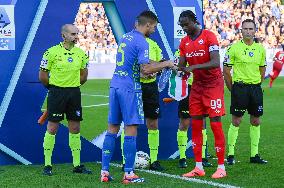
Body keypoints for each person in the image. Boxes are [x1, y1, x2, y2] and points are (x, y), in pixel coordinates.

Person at [100, 10, 175, 184]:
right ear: (147, 24)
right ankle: (129, 174)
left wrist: (149, 70)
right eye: (154, 27)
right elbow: (146, 69)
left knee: (112, 129)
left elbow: (137, 66)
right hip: (129, 89)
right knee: (131, 128)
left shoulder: (126, 37)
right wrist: (167, 63)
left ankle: (104, 171)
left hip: (115, 85)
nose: (154, 30)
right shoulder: (143, 42)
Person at [178, 10, 227, 179]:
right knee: (196, 125)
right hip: (197, 87)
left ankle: (221, 167)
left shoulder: (209, 36)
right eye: (181, 25)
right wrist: (173, 67)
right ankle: (198, 166)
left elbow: (215, 62)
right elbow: (182, 65)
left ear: (194, 21)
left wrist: (193, 67)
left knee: (215, 124)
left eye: (186, 24)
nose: (184, 28)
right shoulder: (183, 42)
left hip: (213, 85)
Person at [39, 24, 92, 175]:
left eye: (77, 34)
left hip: (74, 93)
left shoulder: (81, 53)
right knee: (52, 128)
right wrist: (54, 89)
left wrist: (72, 86)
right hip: (56, 93)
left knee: (75, 128)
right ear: (64, 36)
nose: (76, 36)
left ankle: (77, 165)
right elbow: (43, 76)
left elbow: (84, 76)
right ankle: (47, 165)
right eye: (73, 34)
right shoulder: (51, 52)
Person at [223, 19, 267, 165]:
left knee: (256, 120)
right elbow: (226, 71)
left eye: (251, 29)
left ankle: (254, 155)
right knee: (236, 121)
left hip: (255, 89)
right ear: (241, 31)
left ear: (255, 31)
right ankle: (230, 154)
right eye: (245, 29)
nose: (248, 31)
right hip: (240, 88)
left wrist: (257, 83)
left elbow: (262, 69)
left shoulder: (260, 49)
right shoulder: (233, 48)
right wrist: (232, 88)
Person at [121, 36, 165, 171]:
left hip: (151, 88)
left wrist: (155, 71)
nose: (152, 29)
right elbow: (124, 64)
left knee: (153, 123)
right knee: (130, 123)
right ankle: (126, 161)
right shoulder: (130, 43)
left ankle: (155, 160)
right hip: (134, 87)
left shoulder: (154, 44)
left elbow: (160, 63)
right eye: (151, 26)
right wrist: (140, 73)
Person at [173, 50, 213, 169]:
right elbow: (176, 68)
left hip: (202, 88)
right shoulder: (181, 51)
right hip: (187, 89)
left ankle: (203, 157)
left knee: (202, 124)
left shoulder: (204, 50)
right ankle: (182, 157)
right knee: (184, 124)